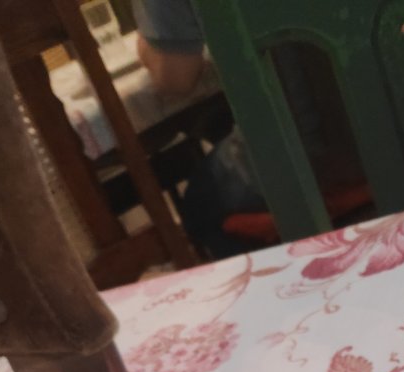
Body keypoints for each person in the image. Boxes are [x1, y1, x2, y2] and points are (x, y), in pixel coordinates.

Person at [132, 0, 321, 258]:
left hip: (306, 160)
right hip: (375, 126)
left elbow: (176, 78)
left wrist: (146, 46)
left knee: (199, 204)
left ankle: (297, 274)